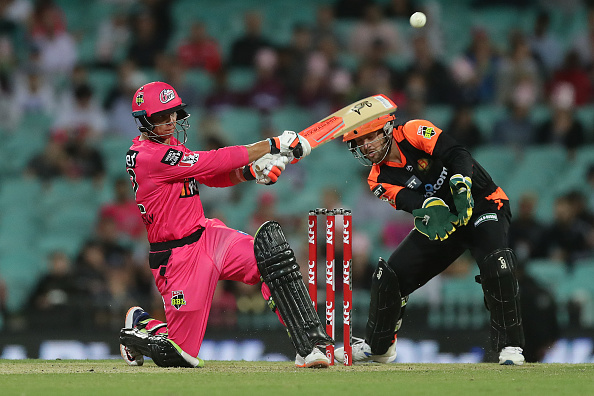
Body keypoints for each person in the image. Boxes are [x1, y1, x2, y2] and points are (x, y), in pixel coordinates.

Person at [118, 81, 333, 369]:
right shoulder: (148, 156)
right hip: (177, 257)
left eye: (172, 114)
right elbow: (210, 162)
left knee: (271, 257)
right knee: (180, 356)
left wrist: (248, 172)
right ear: (143, 122)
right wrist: (271, 145)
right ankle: (140, 326)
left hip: (208, 235)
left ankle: (310, 346)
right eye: (160, 117)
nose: (170, 122)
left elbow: (207, 177)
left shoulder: (168, 145)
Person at [334, 111, 525, 365]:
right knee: (390, 276)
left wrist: (460, 182)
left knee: (497, 265)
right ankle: (379, 348)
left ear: (387, 129)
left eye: (369, 138)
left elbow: (458, 153)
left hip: (483, 203)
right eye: (358, 143)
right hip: (444, 220)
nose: (365, 147)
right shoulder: (377, 179)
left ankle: (511, 347)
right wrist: (430, 206)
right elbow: (412, 202)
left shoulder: (413, 132)